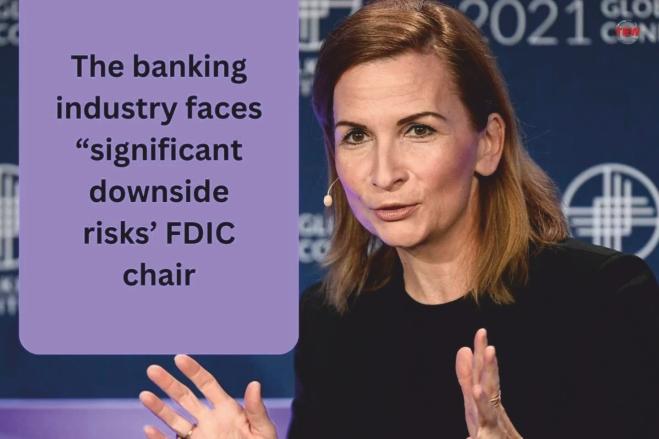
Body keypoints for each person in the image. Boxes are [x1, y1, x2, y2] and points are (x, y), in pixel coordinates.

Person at [138, 1, 659, 438]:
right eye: (356, 136)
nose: (384, 173)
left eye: (418, 130)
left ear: (488, 143)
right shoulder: (332, 323)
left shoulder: (603, 297)